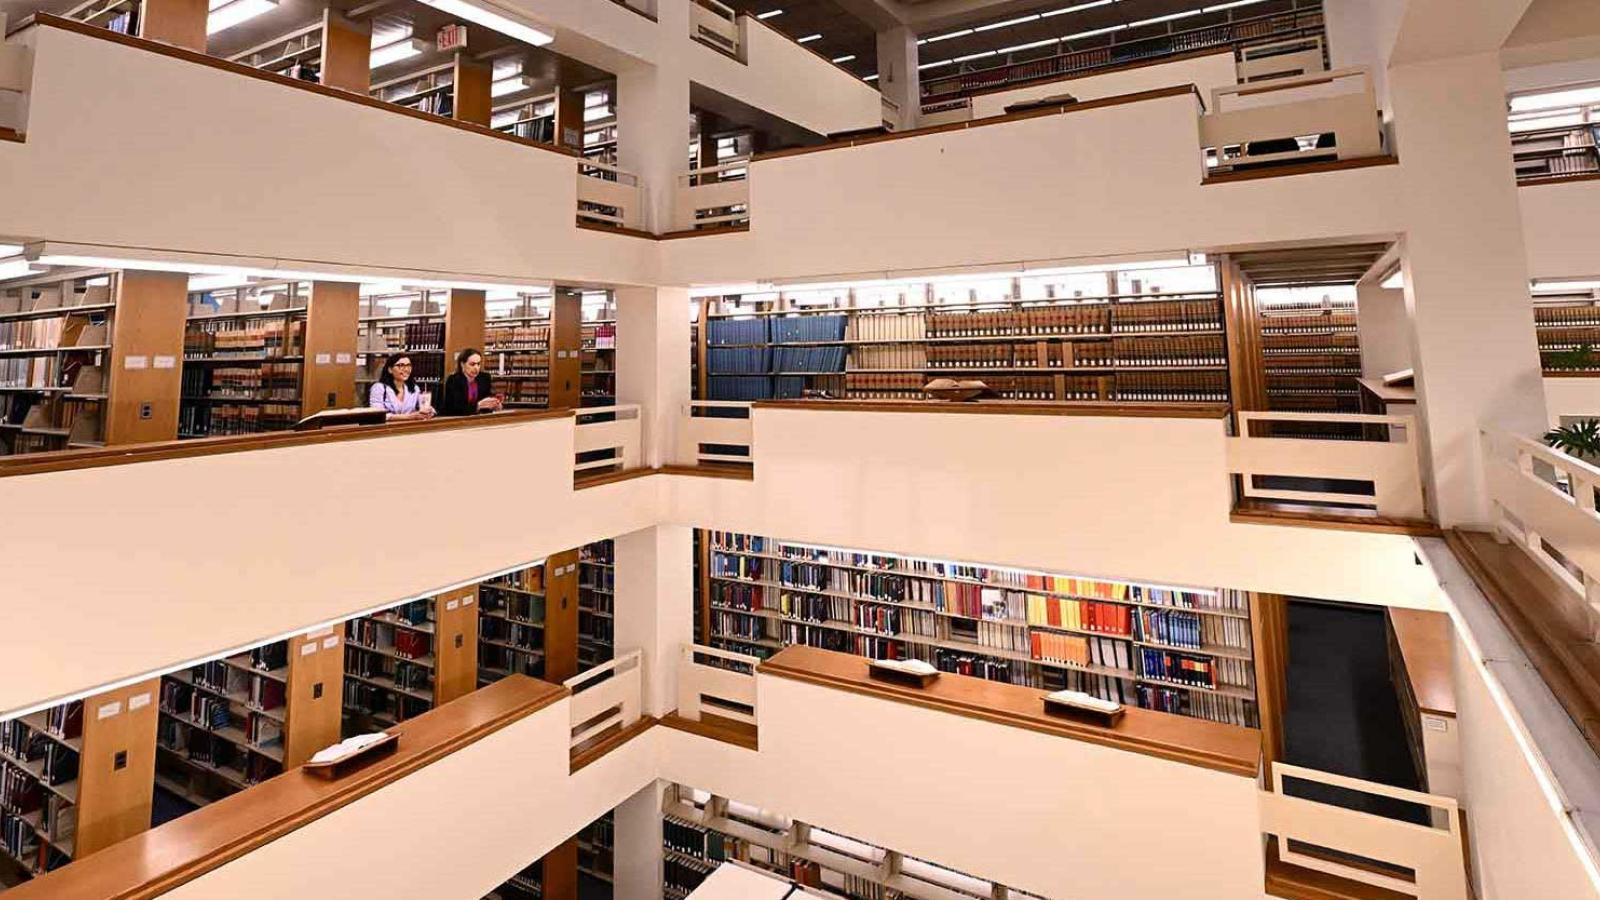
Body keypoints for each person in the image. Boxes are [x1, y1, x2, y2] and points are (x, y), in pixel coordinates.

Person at [437, 348, 503, 417]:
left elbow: (486, 403)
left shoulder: (485, 378)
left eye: (478, 364)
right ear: (462, 364)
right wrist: (478, 406)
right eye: (472, 364)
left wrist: (494, 405)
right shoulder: (453, 380)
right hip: (456, 420)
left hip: (479, 420)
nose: (476, 368)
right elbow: (455, 408)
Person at [368, 355, 434, 421]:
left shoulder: (414, 388)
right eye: (401, 365)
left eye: (408, 365)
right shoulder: (379, 388)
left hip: (409, 428)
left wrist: (428, 411)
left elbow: (421, 407)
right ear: (390, 369)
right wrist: (408, 417)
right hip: (387, 429)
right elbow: (377, 414)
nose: (406, 369)